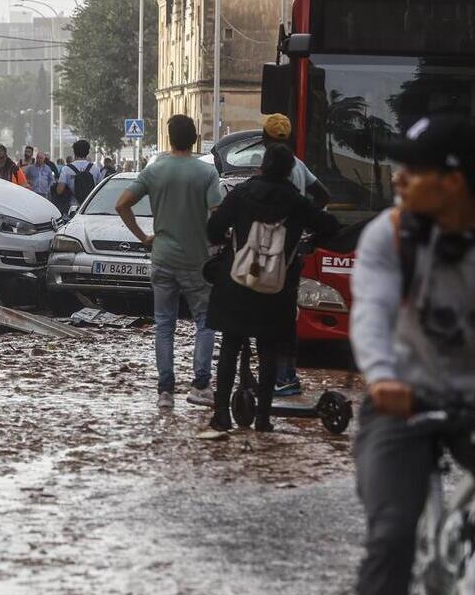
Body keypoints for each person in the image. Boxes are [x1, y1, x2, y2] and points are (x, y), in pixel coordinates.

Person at [350, 114, 475, 595]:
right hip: (400, 403)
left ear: (453, 181)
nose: (399, 178)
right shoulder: (390, 234)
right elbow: (371, 315)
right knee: (391, 536)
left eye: (414, 169)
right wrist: (380, 379)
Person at [204, 144, 339, 432]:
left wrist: (232, 237)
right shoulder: (296, 202)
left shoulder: (241, 194)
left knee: (230, 345)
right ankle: (263, 418)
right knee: (268, 348)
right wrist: (302, 243)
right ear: (290, 170)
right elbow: (330, 226)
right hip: (276, 287)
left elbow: (213, 229)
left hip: (236, 283)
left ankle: (221, 415)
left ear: (262, 165)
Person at [115, 115, 223, 409]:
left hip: (161, 256)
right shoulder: (206, 173)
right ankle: (201, 384)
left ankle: (165, 392)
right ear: (195, 139)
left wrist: (143, 237)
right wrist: (215, 243)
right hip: (196, 260)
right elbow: (217, 212)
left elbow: (121, 204)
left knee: (164, 324)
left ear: (169, 138)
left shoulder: (155, 170)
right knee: (204, 321)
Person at [259, 113, 333, 397]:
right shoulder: (300, 166)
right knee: (287, 313)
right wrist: (307, 225)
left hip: (269, 252)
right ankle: (283, 374)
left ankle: (280, 376)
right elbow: (323, 195)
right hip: (293, 251)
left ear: (264, 139)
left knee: (268, 315)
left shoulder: (274, 170)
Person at [56, 140, 103, 214]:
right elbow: (101, 190)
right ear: (87, 152)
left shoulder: (66, 169)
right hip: (90, 208)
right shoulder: (95, 169)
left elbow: (59, 190)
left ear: (74, 152)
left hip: (73, 208)